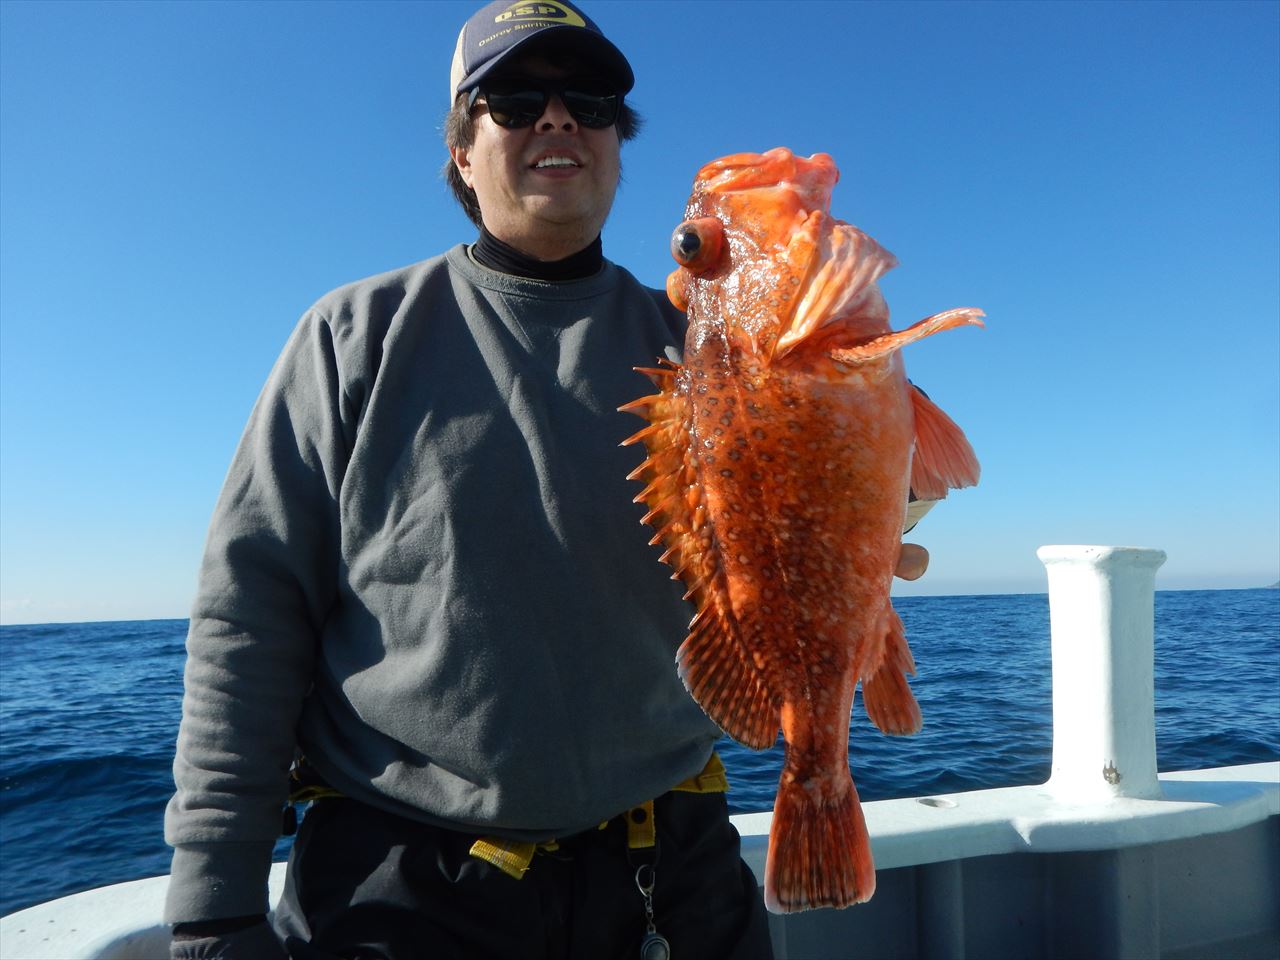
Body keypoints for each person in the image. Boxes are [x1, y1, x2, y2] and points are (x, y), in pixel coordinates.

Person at [164, 2, 930, 958]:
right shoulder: (352, 338)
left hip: (671, 871)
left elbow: (861, 467)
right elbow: (249, 614)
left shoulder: (709, 350)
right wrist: (212, 904)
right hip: (399, 891)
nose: (558, 118)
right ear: (460, 154)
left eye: (592, 99)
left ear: (616, 143)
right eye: (514, 97)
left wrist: (874, 514)